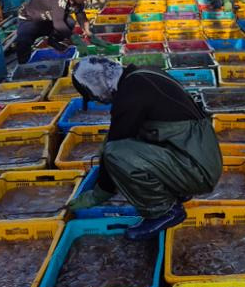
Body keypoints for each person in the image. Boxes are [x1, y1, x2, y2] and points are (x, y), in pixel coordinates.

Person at [67, 57, 223, 239]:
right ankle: (178, 191)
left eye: (95, 96)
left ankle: (165, 212)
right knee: (120, 145)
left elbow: (114, 150)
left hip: (198, 170)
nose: (99, 101)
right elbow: (118, 133)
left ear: (98, 85)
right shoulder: (141, 75)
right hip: (200, 156)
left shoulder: (130, 96)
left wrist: (98, 194)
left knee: (116, 153)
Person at [15, 0, 94, 64]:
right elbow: (58, 23)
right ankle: (23, 65)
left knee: (70, 22)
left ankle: (53, 40)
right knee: (23, 40)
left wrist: (88, 32)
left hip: (48, 19)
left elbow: (81, 16)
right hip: (31, 19)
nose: (85, 0)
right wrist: (76, 40)